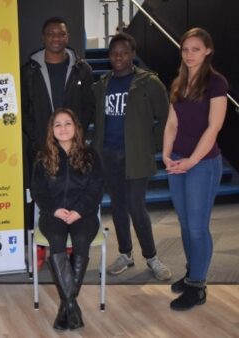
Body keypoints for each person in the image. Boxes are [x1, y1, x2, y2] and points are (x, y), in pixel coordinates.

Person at [92, 33, 172, 280]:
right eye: (114, 52)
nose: (119, 57)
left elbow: (166, 118)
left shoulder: (149, 83)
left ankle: (152, 257)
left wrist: (152, 145)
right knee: (117, 206)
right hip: (108, 155)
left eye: (124, 52)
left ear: (133, 54)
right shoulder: (101, 85)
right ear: (109, 56)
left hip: (135, 155)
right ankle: (125, 254)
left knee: (136, 206)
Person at [163, 27, 228, 311]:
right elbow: (171, 124)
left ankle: (197, 288)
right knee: (184, 222)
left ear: (208, 51)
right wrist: (166, 154)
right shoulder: (179, 82)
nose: (189, 55)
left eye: (196, 49)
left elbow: (214, 127)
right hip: (178, 159)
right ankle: (193, 273)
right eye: (186, 49)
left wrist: (191, 161)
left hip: (203, 164)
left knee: (197, 227)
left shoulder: (216, 83)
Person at [21, 16, 95, 237]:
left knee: (74, 191)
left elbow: (88, 106)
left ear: (68, 37)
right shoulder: (28, 71)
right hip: (40, 147)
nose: (56, 38)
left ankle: (75, 241)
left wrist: (76, 136)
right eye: (51, 34)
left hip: (73, 147)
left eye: (61, 34)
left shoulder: (83, 70)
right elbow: (22, 110)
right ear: (43, 37)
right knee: (42, 194)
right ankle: (42, 244)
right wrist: (37, 137)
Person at [31, 108, 103, 331]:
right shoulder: (43, 157)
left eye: (67, 123)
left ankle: (66, 306)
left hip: (85, 214)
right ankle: (72, 305)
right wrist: (54, 209)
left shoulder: (90, 155)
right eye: (57, 124)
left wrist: (79, 211)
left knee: (81, 239)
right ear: (51, 130)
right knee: (56, 239)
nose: (63, 128)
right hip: (53, 214)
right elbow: (38, 191)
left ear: (76, 127)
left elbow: (96, 189)